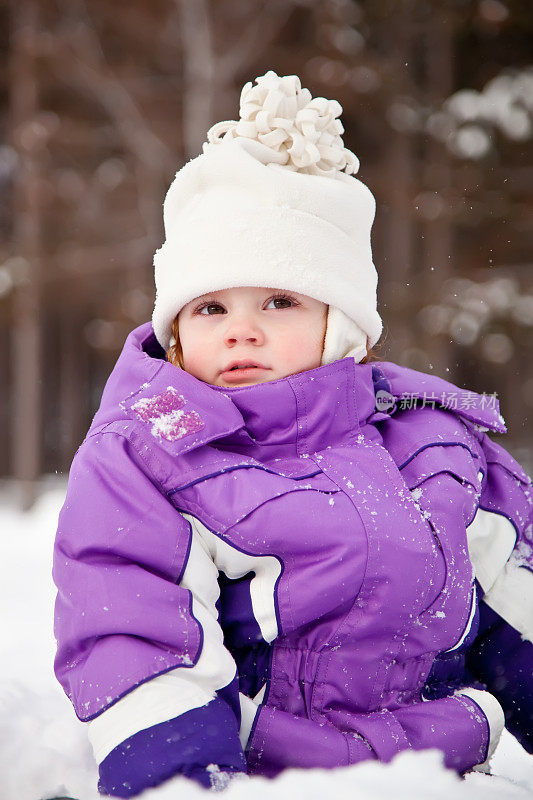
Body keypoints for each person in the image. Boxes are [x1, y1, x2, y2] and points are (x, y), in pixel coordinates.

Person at [52, 71, 533, 798]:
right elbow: (137, 639)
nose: (242, 327)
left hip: (441, 774)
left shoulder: (436, 445)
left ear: (338, 323)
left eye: (278, 300)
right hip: (261, 776)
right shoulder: (148, 455)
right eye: (210, 307)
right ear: (176, 332)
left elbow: (515, 611)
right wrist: (187, 783)